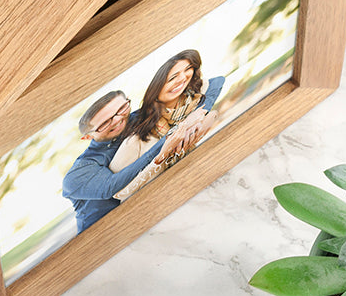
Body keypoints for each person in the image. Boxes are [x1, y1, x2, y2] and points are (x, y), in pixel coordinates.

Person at [62, 90, 188, 233]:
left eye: (121, 109)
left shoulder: (135, 118)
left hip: (149, 212)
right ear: (88, 137)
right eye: (105, 123)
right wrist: (168, 141)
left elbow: (207, 90)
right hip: (103, 234)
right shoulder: (79, 172)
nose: (117, 120)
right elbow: (111, 187)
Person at [108, 50, 225, 199]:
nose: (182, 78)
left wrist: (209, 116)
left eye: (187, 69)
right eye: (172, 77)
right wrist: (160, 158)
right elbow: (118, 194)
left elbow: (217, 81)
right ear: (156, 89)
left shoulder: (192, 103)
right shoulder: (135, 142)